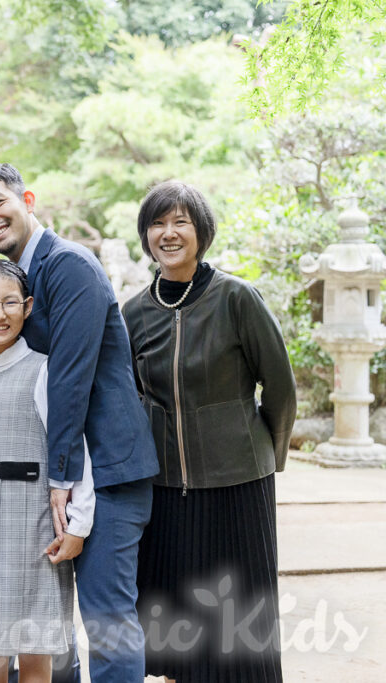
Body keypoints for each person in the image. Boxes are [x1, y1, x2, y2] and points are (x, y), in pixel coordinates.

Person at [0, 163, 159, 683]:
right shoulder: (23, 273)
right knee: (48, 623)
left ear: (26, 198)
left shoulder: (68, 264)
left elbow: (70, 379)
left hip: (105, 468)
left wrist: (61, 480)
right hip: (69, 471)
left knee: (106, 622)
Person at [122, 181, 296, 683]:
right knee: (175, 619)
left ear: (202, 232)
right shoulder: (133, 313)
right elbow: (129, 397)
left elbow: (280, 388)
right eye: (158, 223)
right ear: (146, 235)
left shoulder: (237, 298)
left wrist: (264, 453)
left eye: (181, 222)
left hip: (238, 483)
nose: (169, 233)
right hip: (164, 488)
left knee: (239, 617)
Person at [0, 259, 95, 683]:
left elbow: (76, 448)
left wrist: (79, 524)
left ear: (28, 306)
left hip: (35, 525)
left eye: (10, 302)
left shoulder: (46, 369)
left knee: (36, 649)